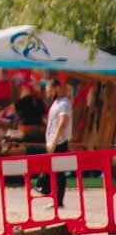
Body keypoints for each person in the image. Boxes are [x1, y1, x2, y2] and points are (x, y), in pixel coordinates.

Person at [37, 79, 72, 207]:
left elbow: (62, 123)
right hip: (53, 141)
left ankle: (58, 200)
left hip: (59, 142)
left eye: (50, 91)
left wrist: (54, 143)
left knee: (59, 172)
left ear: (57, 88)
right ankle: (54, 197)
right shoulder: (56, 103)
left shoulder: (64, 103)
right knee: (54, 170)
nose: (49, 94)